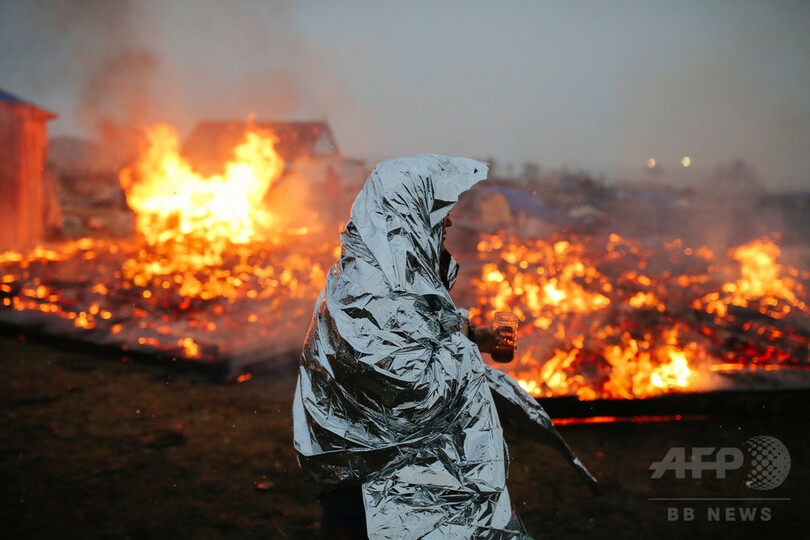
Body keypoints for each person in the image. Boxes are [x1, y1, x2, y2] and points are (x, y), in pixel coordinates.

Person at [292, 155, 597, 539]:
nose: (450, 220)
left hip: (383, 477)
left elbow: (416, 330)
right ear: (406, 214)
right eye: (437, 209)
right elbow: (411, 386)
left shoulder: (381, 271)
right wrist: (466, 355)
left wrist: (473, 335)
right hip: (374, 485)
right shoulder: (375, 287)